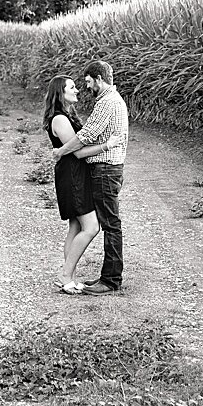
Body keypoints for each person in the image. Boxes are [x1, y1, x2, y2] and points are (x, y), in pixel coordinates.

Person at [53, 60, 128, 295]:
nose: (84, 88)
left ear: (98, 79)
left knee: (108, 224)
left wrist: (60, 151)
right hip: (92, 171)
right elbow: (85, 138)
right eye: (74, 86)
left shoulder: (107, 102)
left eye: (87, 82)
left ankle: (110, 279)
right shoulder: (107, 101)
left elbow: (85, 136)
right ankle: (70, 276)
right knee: (90, 225)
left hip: (105, 170)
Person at [43, 76, 115, 295]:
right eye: (72, 88)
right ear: (60, 93)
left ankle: (69, 278)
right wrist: (107, 145)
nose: (77, 90)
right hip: (71, 176)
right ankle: (65, 274)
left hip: (76, 174)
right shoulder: (59, 119)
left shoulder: (67, 115)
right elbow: (78, 151)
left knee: (75, 228)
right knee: (91, 227)